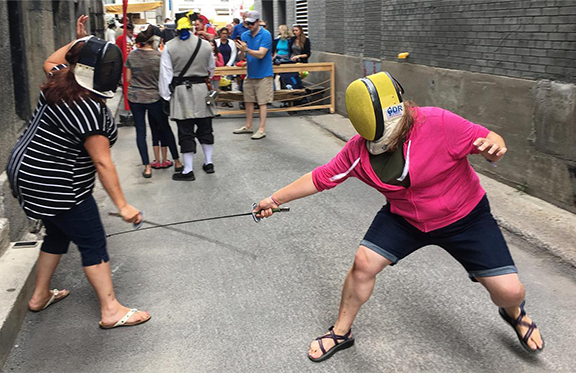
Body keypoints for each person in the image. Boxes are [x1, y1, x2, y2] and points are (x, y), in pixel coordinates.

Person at [254, 71, 545, 361]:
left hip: (466, 216)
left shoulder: (438, 122)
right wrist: (273, 199)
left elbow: (489, 139)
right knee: (363, 264)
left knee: (509, 291)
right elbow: (320, 178)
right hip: (405, 218)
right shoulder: (358, 151)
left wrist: (494, 149)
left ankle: (514, 312)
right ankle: (341, 332)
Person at [6, 15, 150, 329]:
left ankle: (39, 295)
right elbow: (102, 163)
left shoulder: (60, 78)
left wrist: (81, 44)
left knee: (58, 232)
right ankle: (110, 310)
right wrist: (123, 206)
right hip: (56, 183)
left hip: (25, 172)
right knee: (93, 241)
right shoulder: (91, 111)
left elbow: (51, 60)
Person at [159, 12, 217, 181]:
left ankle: (188, 170)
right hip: (201, 90)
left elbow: (165, 75)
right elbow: (211, 69)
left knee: (185, 131)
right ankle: (209, 163)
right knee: (205, 128)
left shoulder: (169, 46)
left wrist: (166, 96)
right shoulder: (205, 45)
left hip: (181, 92)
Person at [126, 25, 182, 178]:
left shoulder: (131, 56)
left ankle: (147, 167)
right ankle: (177, 161)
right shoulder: (159, 56)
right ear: (153, 41)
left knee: (141, 132)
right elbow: (165, 78)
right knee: (165, 128)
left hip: (135, 97)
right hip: (154, 97)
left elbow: (127, 79)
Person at [233, 11, 274, 140]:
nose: (249, 25)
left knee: (262, 102)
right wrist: (241, 51)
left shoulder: (266, 34)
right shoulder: (245, 35)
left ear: (258, 22)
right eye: (247, 23)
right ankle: (248, 125)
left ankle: (261, 129)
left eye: (251, 23)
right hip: (251, 73)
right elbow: (241, 56)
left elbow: (261, 54)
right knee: (248, 100)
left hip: (264, 74)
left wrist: (247, 50)